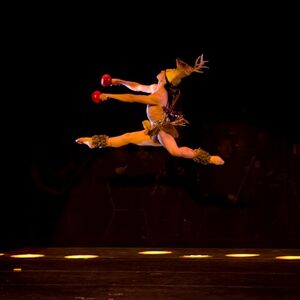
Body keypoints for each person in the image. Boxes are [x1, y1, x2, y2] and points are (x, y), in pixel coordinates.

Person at [76, 55, 224, 165]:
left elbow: (132, 98)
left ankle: (208, 158)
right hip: (154, 129)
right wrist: (118, 81)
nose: (162, 70)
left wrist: (107, 95)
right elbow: (137, 86)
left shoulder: (160, 95)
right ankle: (93, 142)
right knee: (127, 137)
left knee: (175, 151)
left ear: (165, 78)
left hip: (162, 131)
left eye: (166, 70)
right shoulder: (156, 87)